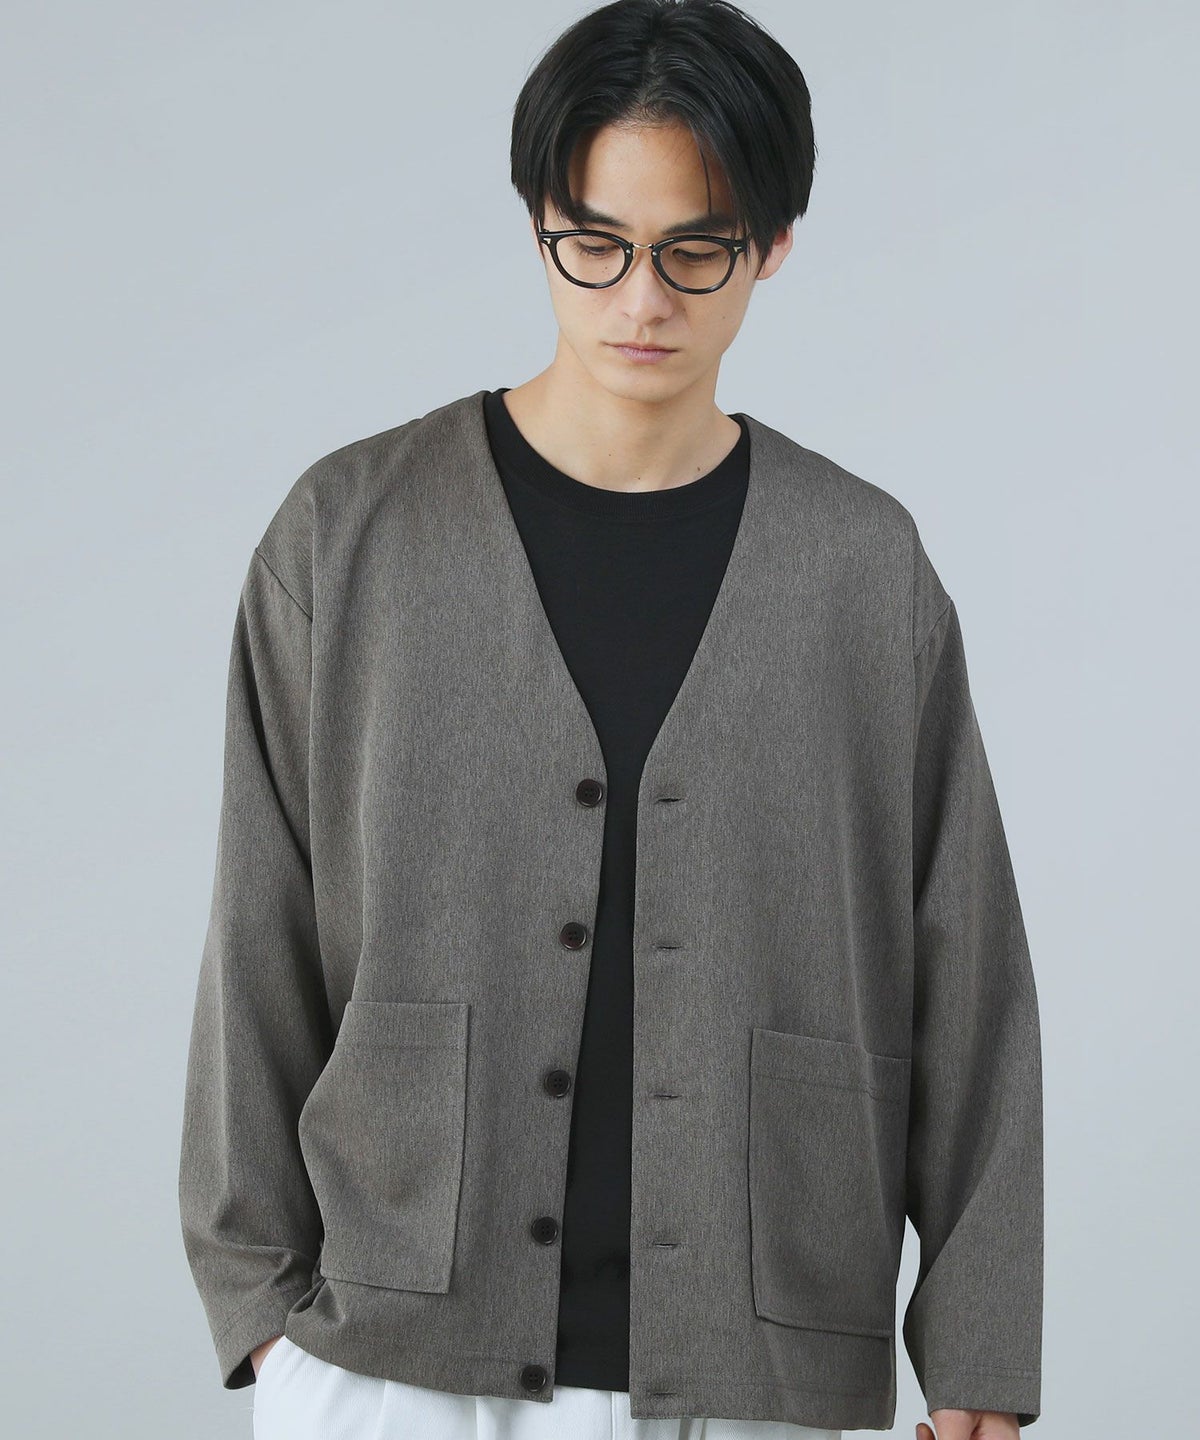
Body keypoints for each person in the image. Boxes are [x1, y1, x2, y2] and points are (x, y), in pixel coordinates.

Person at [178, 3, 1044, 1438]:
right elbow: (255, 932)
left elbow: (969, 979)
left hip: (758, 1365)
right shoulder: (350, 537)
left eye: (697, 250)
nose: (642, 299)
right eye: (596, 243)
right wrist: (262, 1316)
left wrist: (980, 1360)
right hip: (393, 1361)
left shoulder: (860, 569)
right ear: (538, 222)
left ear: (774, 243)